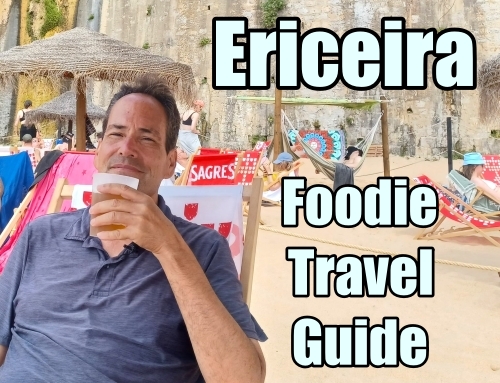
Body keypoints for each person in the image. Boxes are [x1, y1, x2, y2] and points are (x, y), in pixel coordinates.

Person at [0, 74, 266, 383]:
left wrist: (167, 246)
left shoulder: (203, 249)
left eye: (147, 138)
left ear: (170, 163)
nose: (126, 148)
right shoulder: (40, 235)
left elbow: (242, 378)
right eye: (116, 134)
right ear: (98, 152)